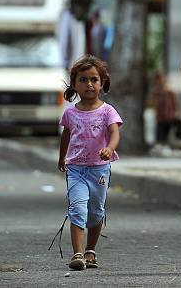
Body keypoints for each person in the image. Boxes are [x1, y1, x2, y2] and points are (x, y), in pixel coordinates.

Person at [57, 54, 123, 271]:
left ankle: (90, 250)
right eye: (83, 80)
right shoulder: (70, 113)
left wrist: (109, 148)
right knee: (77, 208)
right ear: (75, 84)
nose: (89, 84)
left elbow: (114, 133)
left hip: (99, 170)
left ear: (102, 83)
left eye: (94, 79)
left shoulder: (107, 111)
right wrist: (62, 157)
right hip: (76, 168)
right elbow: (66, 136)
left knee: (96, 212)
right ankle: (77, 253)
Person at [148, 72, 181, 154]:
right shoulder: (155, 92)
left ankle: (167, 147)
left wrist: (176, 113)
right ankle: (160, 147)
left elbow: (175, 104)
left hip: (169, 116)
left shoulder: (170, 92)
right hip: (160, 117)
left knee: (168, 133)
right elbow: (149, 103)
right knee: (160, 133)